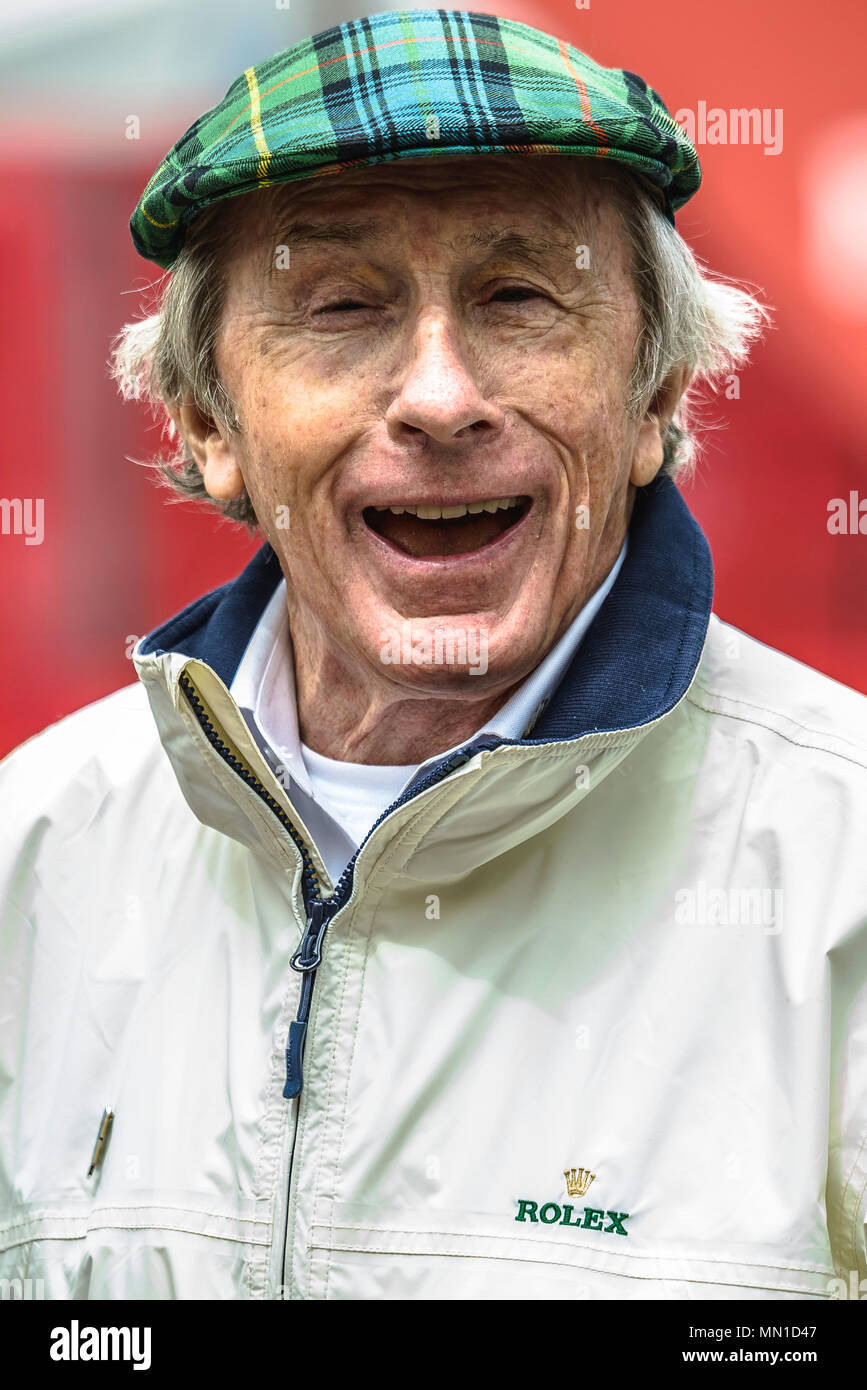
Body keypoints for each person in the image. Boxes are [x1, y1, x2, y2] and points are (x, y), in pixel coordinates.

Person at [1, 9, 865, 1301]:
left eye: (520, 296)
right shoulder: (34, 855)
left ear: (658, 396)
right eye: (341, 305)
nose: (442, 395)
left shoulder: (841, 868)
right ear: (206, 420)